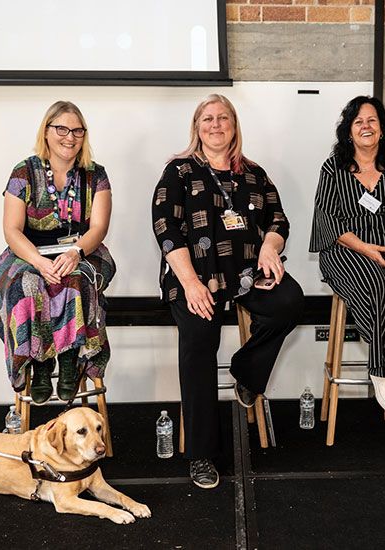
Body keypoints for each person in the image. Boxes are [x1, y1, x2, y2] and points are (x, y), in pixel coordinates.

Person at [152, 94, 303, 489]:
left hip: (246, 274)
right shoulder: (179, 171)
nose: (215, 124)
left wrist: (271, 246)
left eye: (223, 118)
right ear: (196, 127)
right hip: (195, 275)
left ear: (234, 126)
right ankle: (202, 453)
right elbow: (166, 229)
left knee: (289, 300)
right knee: (201, 336)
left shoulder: (254, 173)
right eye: (207, 119)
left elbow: (278, 218)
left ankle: (246, 374)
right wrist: (189, 282)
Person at [310, 96, 385, 416]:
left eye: (372, 121)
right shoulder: (333, 168)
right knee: (377, 284)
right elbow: (327, 220)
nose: (366, 126)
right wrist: (366, 248)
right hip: (347, 248)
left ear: (382, 129)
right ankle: (381, 369)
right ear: (349, 131)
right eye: (358, 122)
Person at [0, 101, 115, 404]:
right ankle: (41, 363)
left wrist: (75, 252)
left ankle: (71, 357)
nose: (70, 137)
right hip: (28, 252)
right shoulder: (23, 171)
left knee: (76, 281)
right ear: (46, 132)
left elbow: (98, 227)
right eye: (62, 129)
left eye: (77, 130)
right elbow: (11, 230)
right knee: (28, 284)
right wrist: (37, 261)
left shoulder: (95, 175)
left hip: (81, 249)